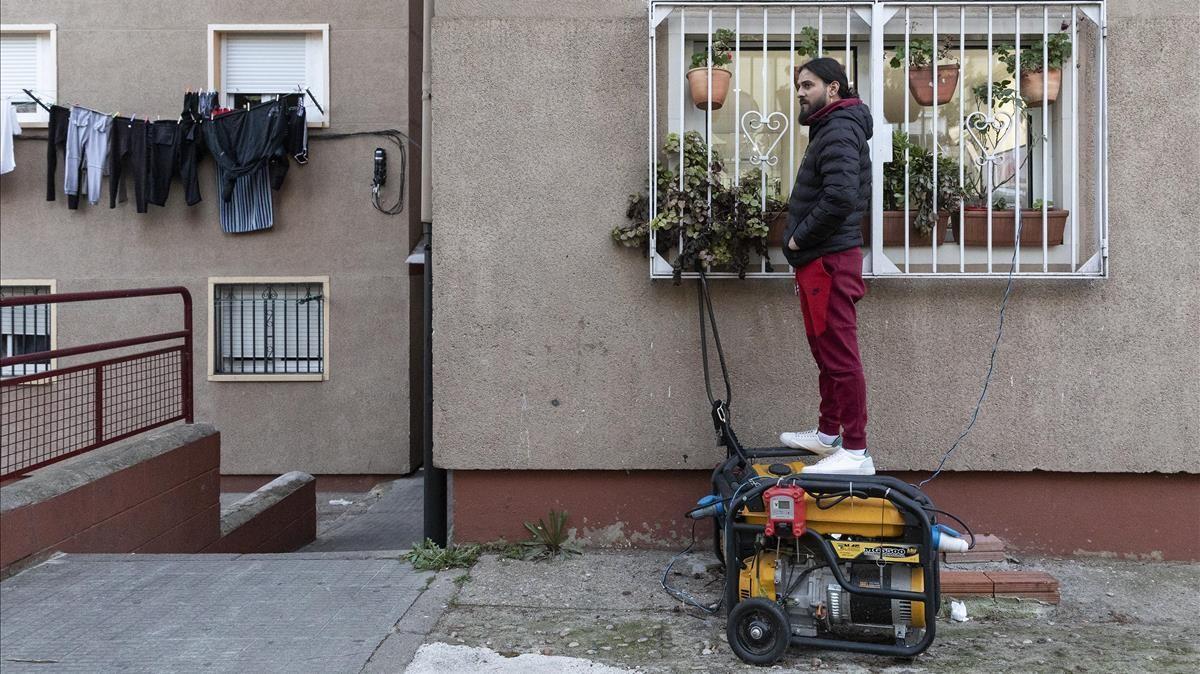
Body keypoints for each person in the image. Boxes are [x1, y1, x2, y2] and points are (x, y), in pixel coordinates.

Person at [777, 57, 875, 476]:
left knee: (839, 353)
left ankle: (855, 451)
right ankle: (829, 434)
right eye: (799, 85)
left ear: (833, 88)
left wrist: (799, 238)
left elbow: (839, 198)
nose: (800, 92)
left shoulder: (837, 128)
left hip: (829, 260)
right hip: (823, 259)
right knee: (825, 350)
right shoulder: (831, 127)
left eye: (808, 85)